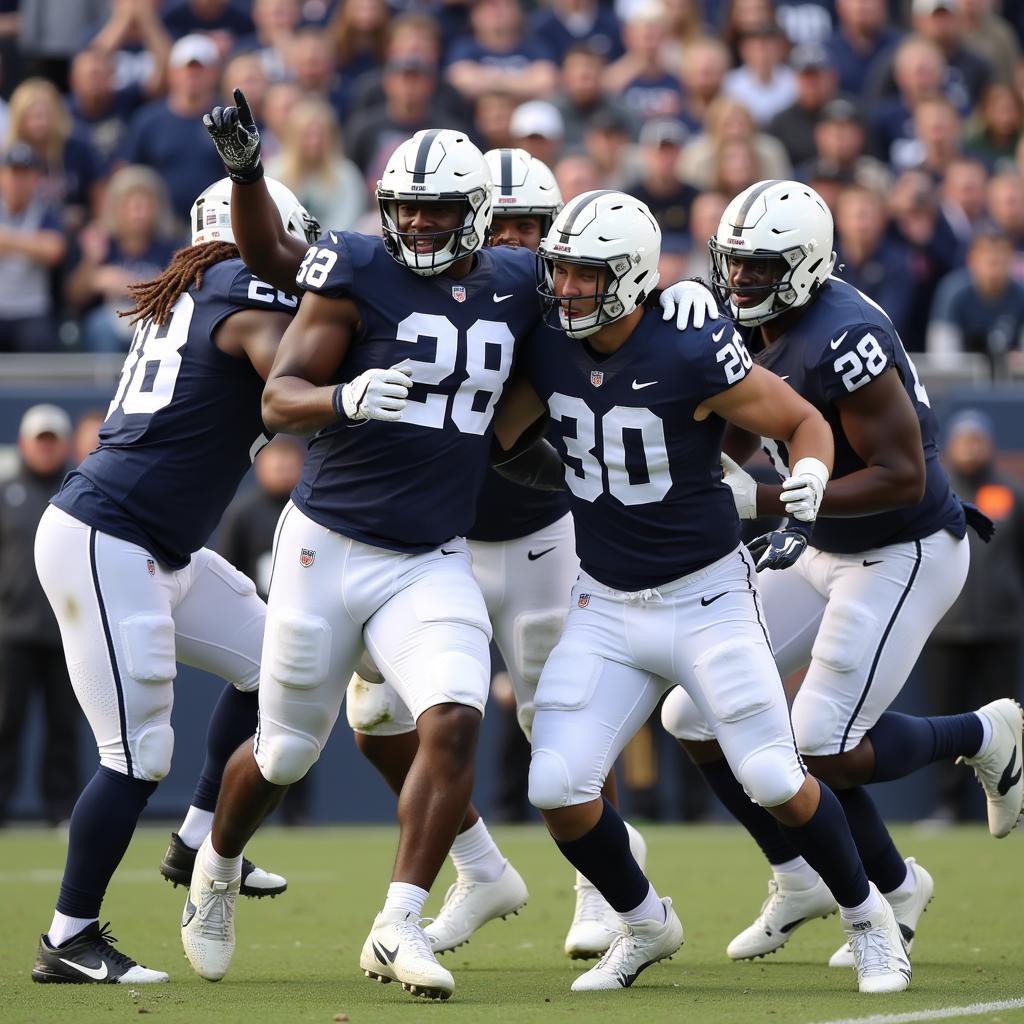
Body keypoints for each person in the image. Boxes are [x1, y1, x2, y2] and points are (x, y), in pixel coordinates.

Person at [183, 95, 714, 997]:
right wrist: (344, 397)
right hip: (328, 542)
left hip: (430, 555)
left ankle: (399, 922)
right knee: (285, 752)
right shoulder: (356, 265)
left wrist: (679, 298)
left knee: (458, 714)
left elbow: (605, 293)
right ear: (386, 207)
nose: (420, 223)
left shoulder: (518, 278)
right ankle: (215, 871)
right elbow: (280, 395)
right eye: (408, 207)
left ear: (476, 214)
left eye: (438, 209)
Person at [490, 186, 913, 995]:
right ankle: (647, 924)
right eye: (563, 272)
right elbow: (503, 438)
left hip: (707, 595)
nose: (567, 289)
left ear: (633, 277)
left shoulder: (688, 345)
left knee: (774, 779)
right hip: (605, 605)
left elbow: (803, 422)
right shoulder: (547, 343)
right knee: (555, 788)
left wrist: (813, 479)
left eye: (586, 275)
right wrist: (581, 480)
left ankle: (870, 920)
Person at [343, 147, 699, 962]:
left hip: (542, 534)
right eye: (501, 223)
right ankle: (477, 865)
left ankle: (601, 889)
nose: (514, 240)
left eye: (529, 226)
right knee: (376, 720)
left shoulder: (570, 298)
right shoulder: (424, 282)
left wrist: (677, 300)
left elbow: (643, 330)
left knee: (559, 720)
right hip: (439, 543)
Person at [659, 179, 1021, 972]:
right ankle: (800, 878)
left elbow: (903, 477)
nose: (742, 283)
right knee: (692, 713)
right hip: (821, 537)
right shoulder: (741, 317)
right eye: (735, 265)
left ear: (809, 265)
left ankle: (983, 735)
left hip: (903, 545)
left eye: (762, 268)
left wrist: (757, 497)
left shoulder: (842, 334)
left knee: (817, 744)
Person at [29, 176, 320, 985]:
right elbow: (282, 381)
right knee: (136, 753)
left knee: (279, 667)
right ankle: (69, 937)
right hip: (109, 539)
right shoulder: (236, 285)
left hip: (159, 547)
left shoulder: (192, 288)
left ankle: (196, 839)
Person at [923, 409, 1024, 823]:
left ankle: (1012, 803)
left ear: (989, 446)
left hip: (1000, 627)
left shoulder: (1011, 493)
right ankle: (949, 807)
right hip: (945, 627)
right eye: (964, 441)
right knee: (946, 722)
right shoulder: (936, 494)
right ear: (950, 448)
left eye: (977, 441)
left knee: (1005, 722)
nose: (971, 449)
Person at [0, 405, 80, 828]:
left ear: (64, 445)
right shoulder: (5, 492)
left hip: (67, 633)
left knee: (63, 729)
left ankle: (62, 813)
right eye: (39, 440)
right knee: (5, 725)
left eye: (53, 440)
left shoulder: (78, 492)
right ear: (25, 444)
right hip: (12, 632)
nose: (46, 448)